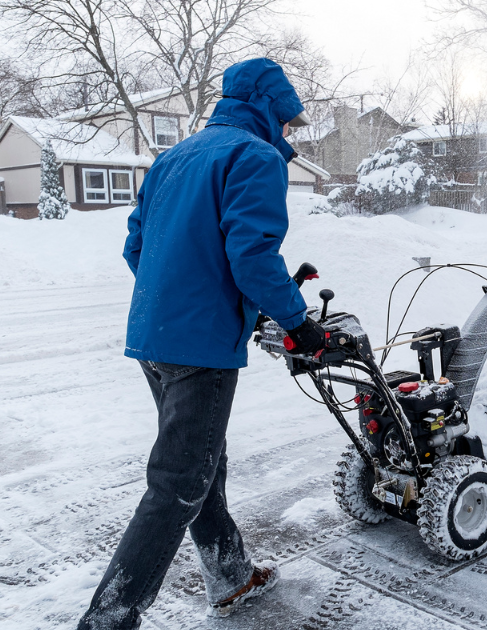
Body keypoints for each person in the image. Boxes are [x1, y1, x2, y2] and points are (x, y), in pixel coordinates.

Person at [76, 58, 328, 630]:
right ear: (268, 108)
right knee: (180, 482)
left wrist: (179, 295)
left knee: (198, 464)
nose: (287, 133)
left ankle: (232, 575)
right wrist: (300, 324)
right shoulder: (255, 156)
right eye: (286, 120)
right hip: (200, 346)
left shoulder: (174, 157)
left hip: (153, 336)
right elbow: (252, 257)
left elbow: (136, 248)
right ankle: (107, 619)